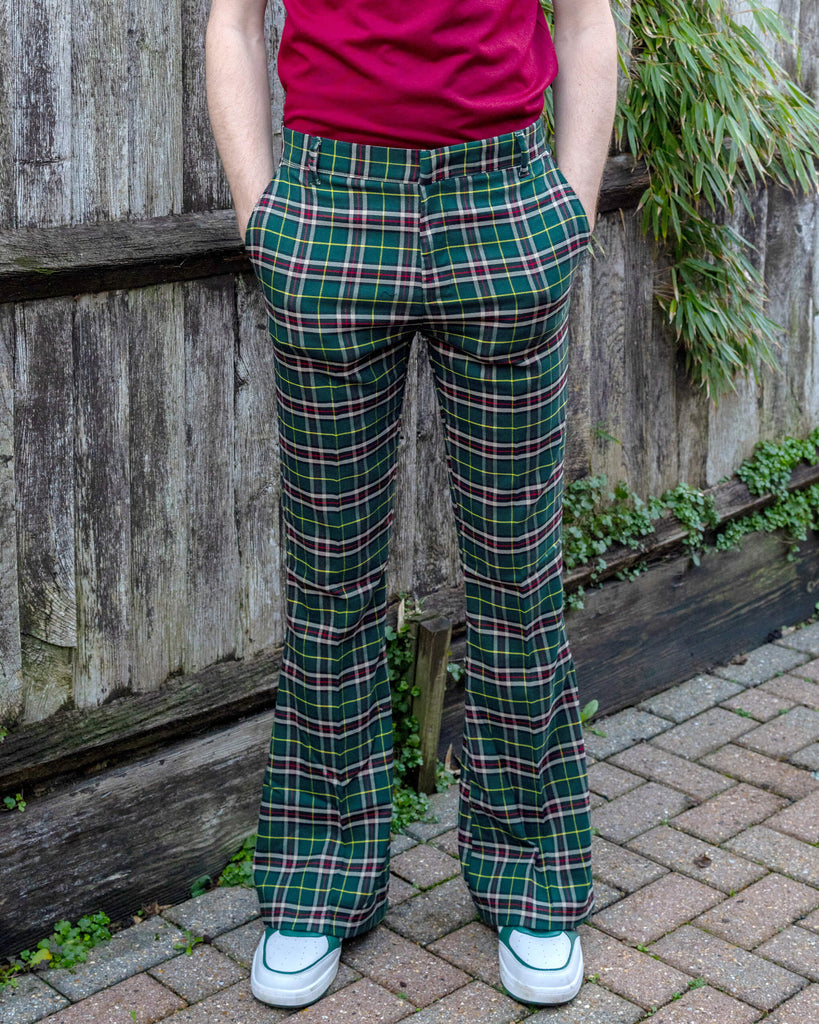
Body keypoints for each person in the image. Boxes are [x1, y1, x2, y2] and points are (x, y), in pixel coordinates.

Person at [205, 0, 617, 1008]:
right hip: (332, 203)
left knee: (520, 580)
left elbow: (589, 19)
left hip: (502, 198)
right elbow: (230, 21)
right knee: (331, 584)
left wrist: (572, 209)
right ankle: (318, 880)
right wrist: (264, 218)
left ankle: (531, 875)